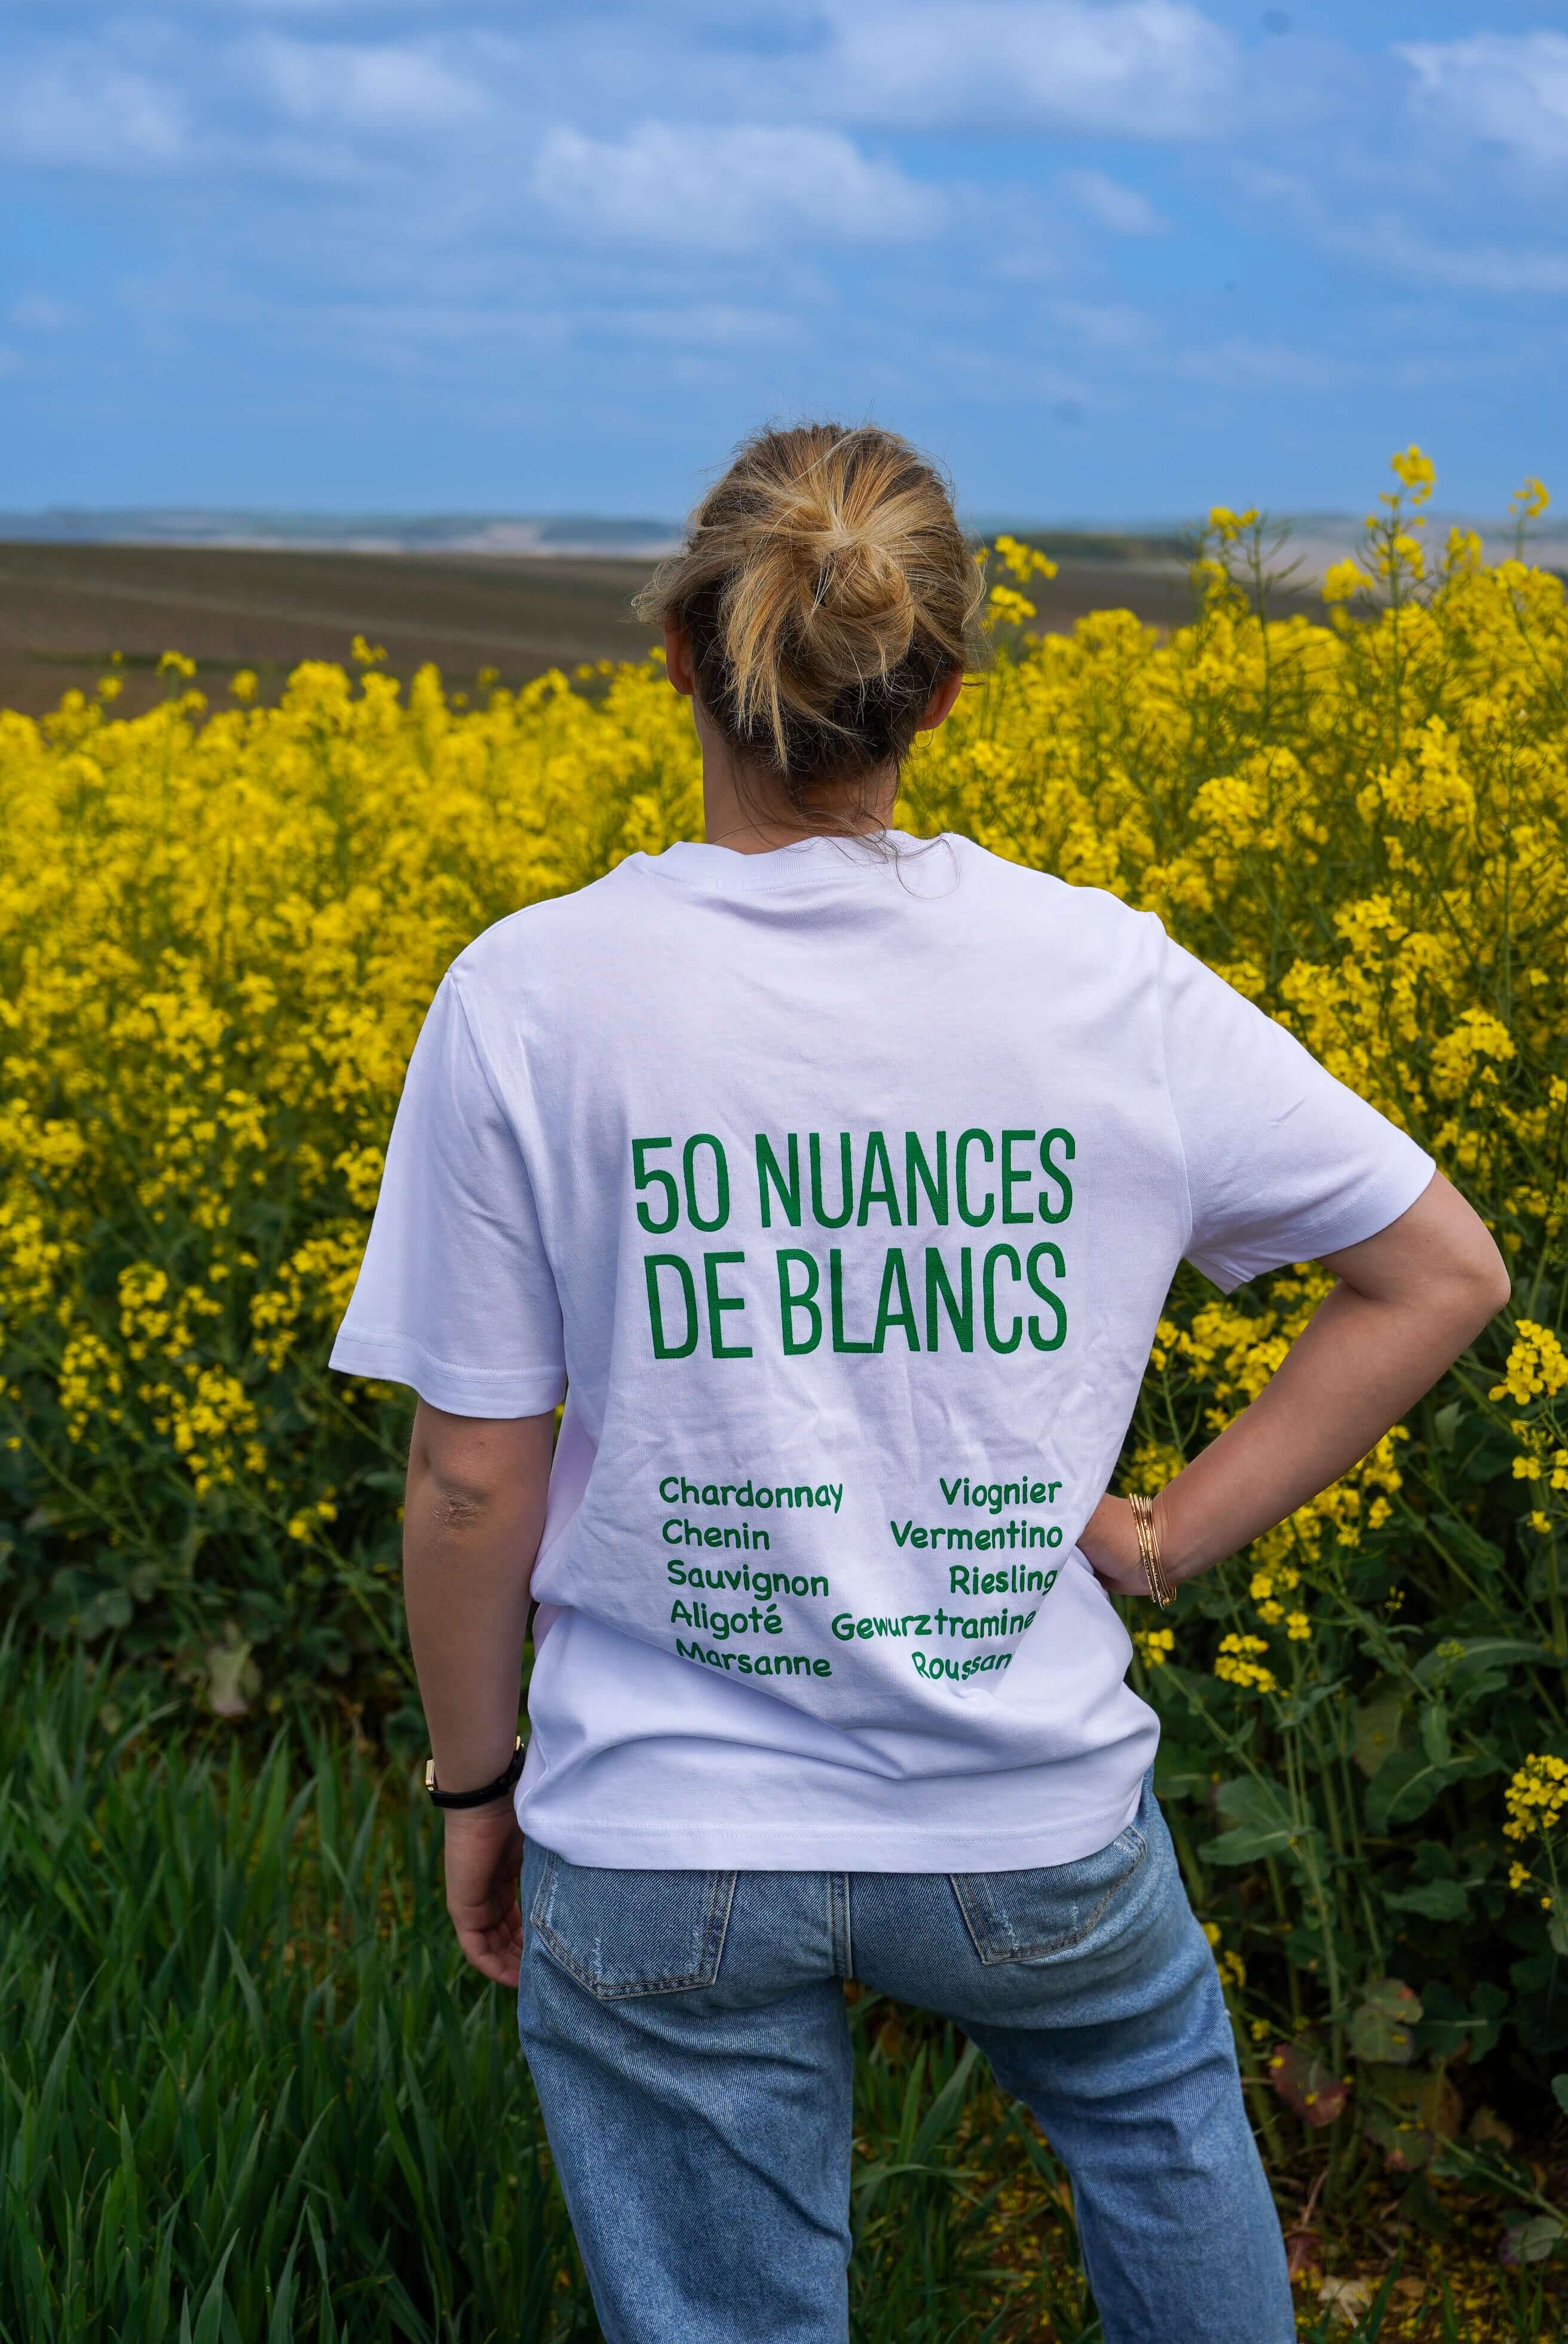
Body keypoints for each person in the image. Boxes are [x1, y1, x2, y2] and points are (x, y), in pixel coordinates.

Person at [329, 421, 1510, 2344]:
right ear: (944, 691)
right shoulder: (1101, 978)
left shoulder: (530, 993)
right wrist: (1162, 1535)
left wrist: (479, 1785)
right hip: (1024, 1811)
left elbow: (471, 1482)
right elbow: (1440, 1271)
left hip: (658, 1828)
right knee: (1155, 2128)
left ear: (678, 655)